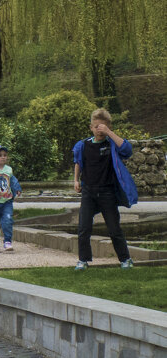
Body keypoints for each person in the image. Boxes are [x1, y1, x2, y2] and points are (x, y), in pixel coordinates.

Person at [72, 108, 138, 270]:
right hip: (88, 191)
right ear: (91, 127)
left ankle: (125, 259)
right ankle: (83, 260)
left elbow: (127, 150)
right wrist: (76, 180)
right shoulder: (83, 145)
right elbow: (78, 162)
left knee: (114, 228)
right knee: (84, 228)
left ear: (108, 127)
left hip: (107, 192)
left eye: (102, 127)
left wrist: (109, 132)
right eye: (96, 126)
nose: (99, 130)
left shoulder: (112, 144)